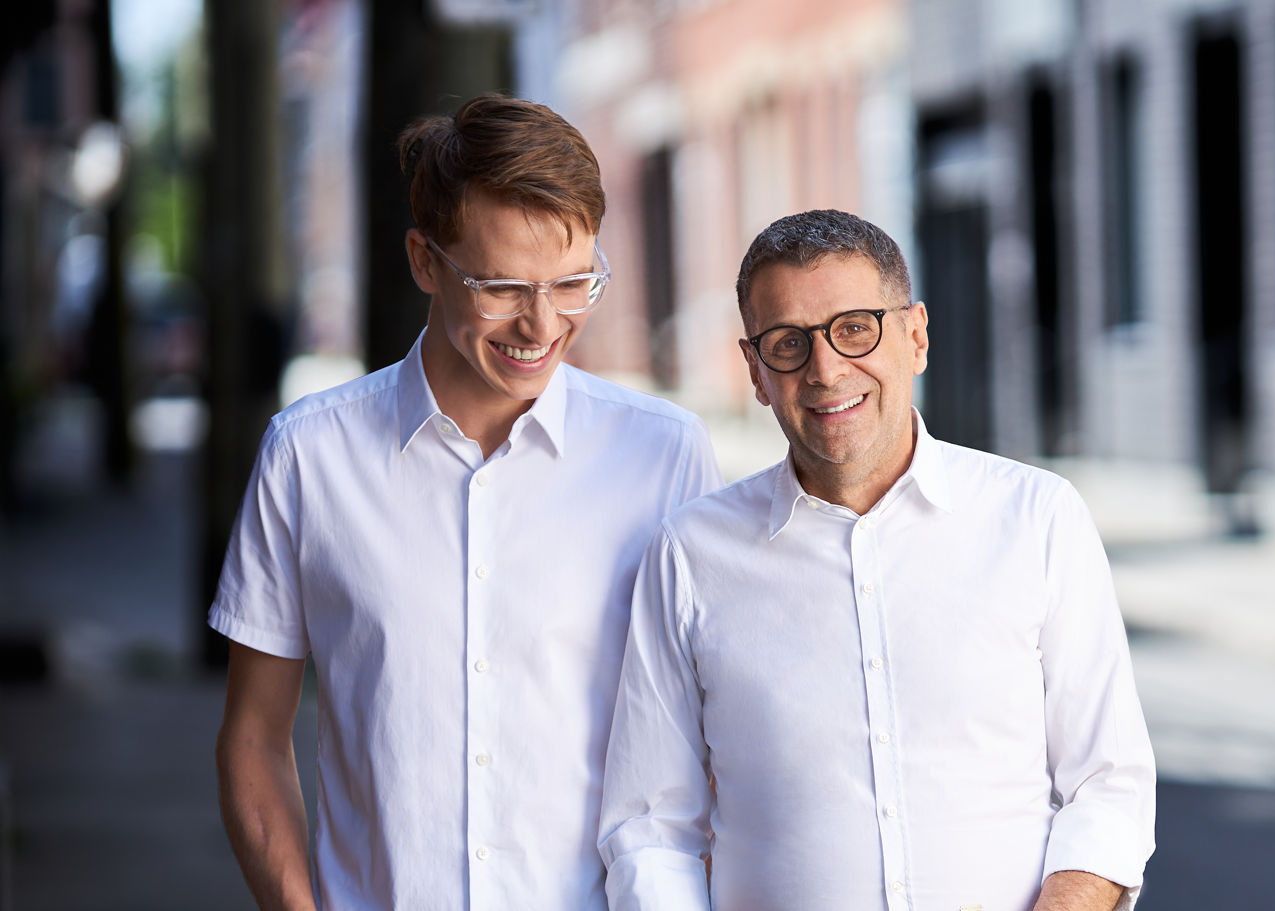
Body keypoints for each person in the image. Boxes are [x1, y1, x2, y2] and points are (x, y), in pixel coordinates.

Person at [212, 94, 720, 910]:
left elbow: (714, 738)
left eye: (573, 283)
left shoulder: (664, 453)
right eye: (502, 286)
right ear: (424, 261)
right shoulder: (308, 456)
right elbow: (252, 739)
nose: (542, 322)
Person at [598, 209, 1155, 911]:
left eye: (855, 327)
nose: (826, 370)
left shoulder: (1038, 519)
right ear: (756, 371)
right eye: (789, 343)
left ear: (915, 336)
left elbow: (1109, 783)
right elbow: (651, 827)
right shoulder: (690, 556)